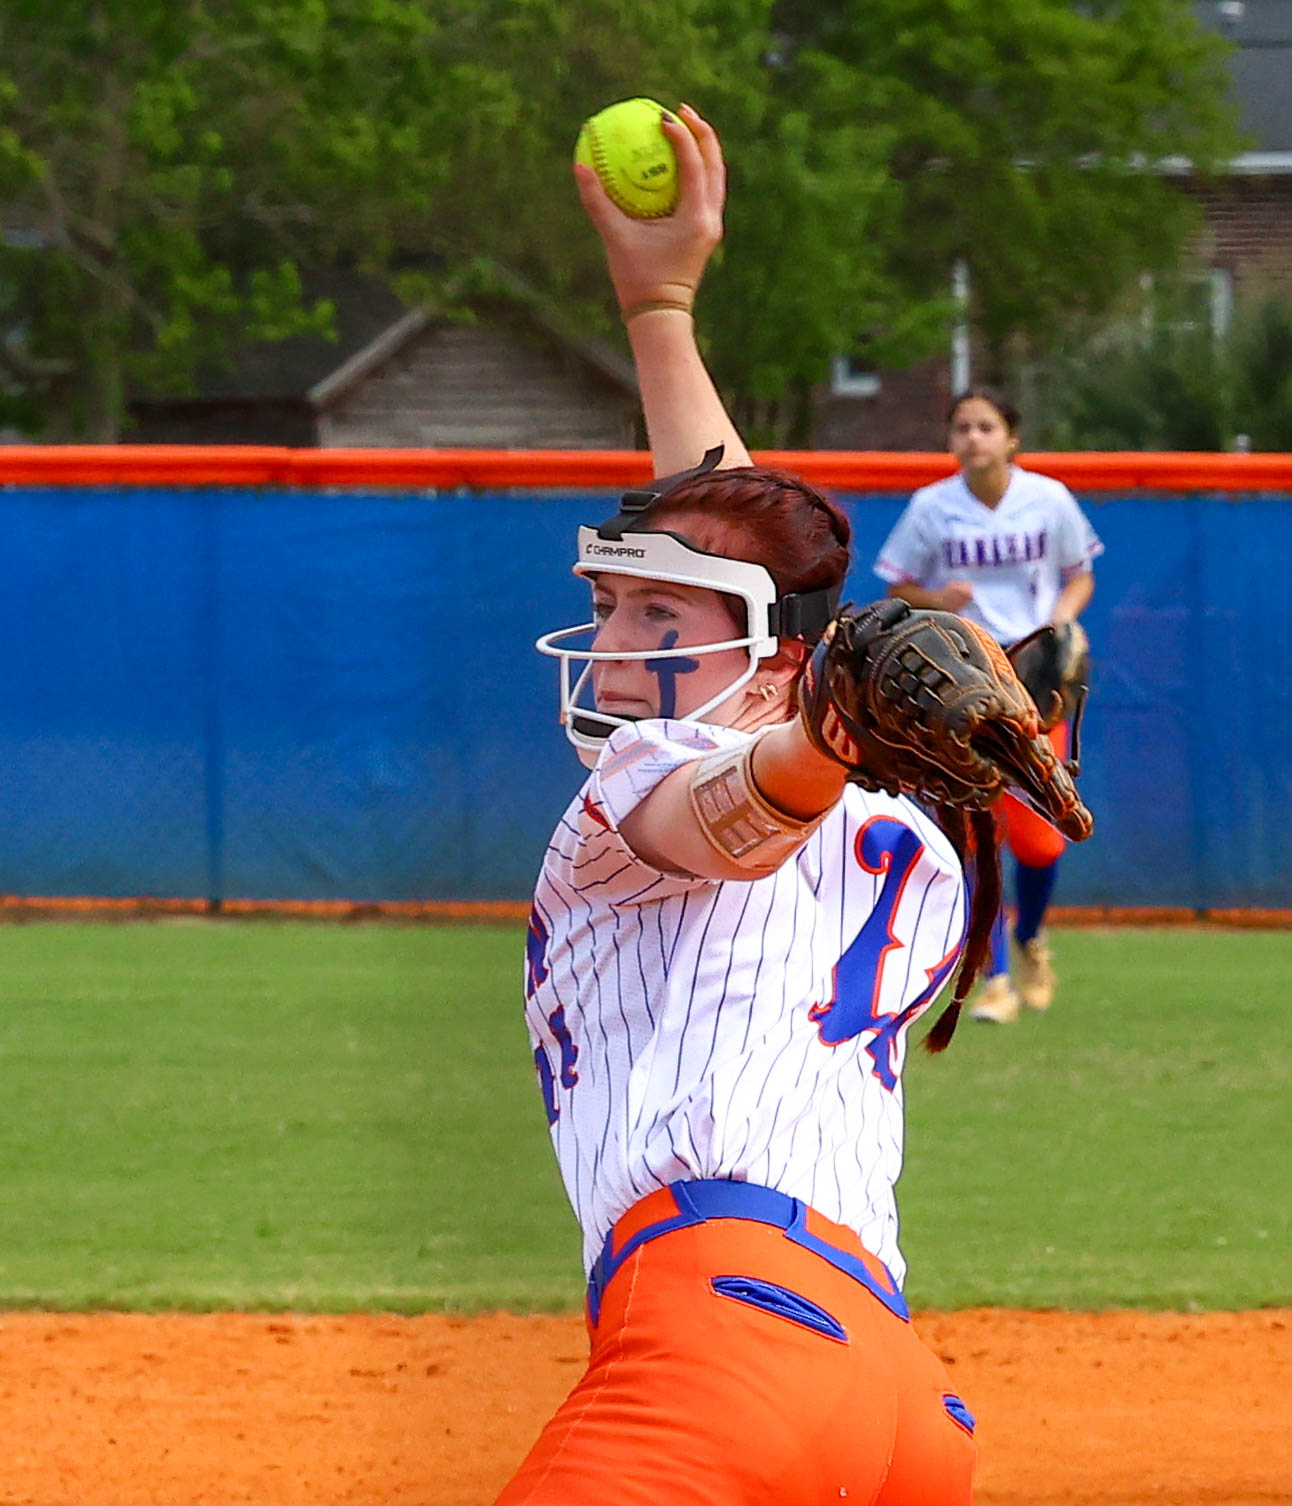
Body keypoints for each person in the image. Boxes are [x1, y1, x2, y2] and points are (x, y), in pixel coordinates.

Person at [494, 105, 982, 1506]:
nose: (616, 639)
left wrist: (815, 737)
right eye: (610, 604)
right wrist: (659, 308)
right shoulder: (896, 811)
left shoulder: (654, 780)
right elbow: (748, 574)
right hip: (894, 1394)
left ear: (776, 670)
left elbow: (733, 815)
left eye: (656, 617)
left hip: (728, 1345)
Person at [874, 390, 1102, 1024]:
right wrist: (937, 598)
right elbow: (898, 584)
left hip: (1035, 680)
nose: (973, 437)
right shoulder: (933, 506)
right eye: (962, 427)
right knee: (976, 832)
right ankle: (994, 976)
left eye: (986, 426)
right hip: (964, 677)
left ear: (1011, 437)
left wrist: (1063, 618)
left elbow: (1080, 573)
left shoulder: (1047, 499)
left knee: (1041, 839)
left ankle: (1029, 937)